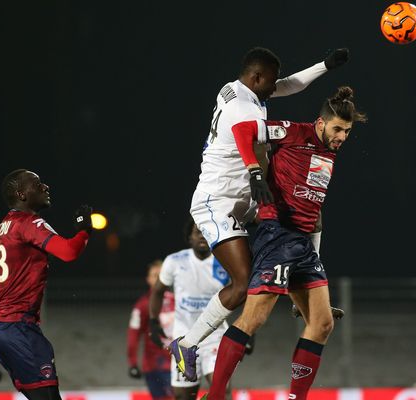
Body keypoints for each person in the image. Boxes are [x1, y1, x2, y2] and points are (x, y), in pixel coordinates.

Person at [170, 46, 350, 380]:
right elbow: (244, 136)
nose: (274, 87)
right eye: (269, 82)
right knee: (243, 284)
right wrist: (255, 172)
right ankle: (187, 344)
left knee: (304, 215)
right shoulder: (242, 107)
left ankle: (302, 295)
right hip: (218, 200)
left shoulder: (243, 90)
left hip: (247, 198)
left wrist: (325, 65)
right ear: (256, 77)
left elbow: (292, 84)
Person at [198, 86, 366, 400]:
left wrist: (312, 258)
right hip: (276, 233)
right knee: (254, 318)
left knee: (322, 323)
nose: (342, 136)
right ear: (320, 123)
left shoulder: (329, 153)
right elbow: (244, 129)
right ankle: (216, 395)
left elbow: (314, 213)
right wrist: (253, 172)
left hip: (302, 243)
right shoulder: (293, 132)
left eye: (347, 131)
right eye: (338, 129)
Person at [0, 169, 92, 400]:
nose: (45, 187)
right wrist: (84, 231)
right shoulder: (28, 222)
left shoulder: (3, 228)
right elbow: (68, 252)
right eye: (37, 184)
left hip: (2, 328)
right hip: (20, 329)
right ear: (21, 194)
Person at [150, 218, 251, 400]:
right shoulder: (174, 261)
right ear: (189, 238)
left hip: (216, 338)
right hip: (183, 340)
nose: (202, 237)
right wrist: (153, 322)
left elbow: (244, 293)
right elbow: (158, 291)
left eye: (205, 232)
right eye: (197, 232)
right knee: (183, 397)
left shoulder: (225, 262)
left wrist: (249, 332)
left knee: (222, 389)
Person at [127, 260, 175, 400]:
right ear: (148, 279)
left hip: (177, 364)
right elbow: (133, 335)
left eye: (162, 275)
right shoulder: (142, 305)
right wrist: (133, 363)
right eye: (155, 275)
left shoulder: (179, 301)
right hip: (154, 366)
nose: (159, 279)